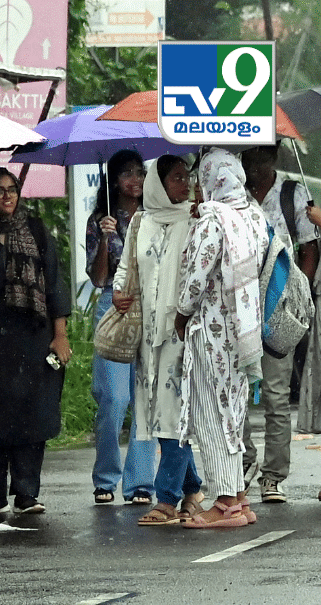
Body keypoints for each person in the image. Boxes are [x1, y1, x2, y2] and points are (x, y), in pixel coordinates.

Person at [0, 168, 72, 516]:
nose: (7, 196)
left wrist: (60, 335)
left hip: (32, 336)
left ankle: (27, 493)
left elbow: (54, 284)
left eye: (12, 189)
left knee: (32, 413)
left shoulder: (37, 232)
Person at [175, 148, 269, 529]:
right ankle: (240, 497)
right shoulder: (255, 216)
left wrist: (181, 313)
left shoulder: (214, 220)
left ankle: (226, 502)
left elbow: (195, 279)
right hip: (244, 332)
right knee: (233, 411)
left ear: (213, 180)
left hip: (211, 331)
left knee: (210, 414)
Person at [113, 155, 206, 526]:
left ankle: (166, 498)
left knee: (175, 414)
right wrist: (120, 292)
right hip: (147, 334)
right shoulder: (141, 220)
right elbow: (126, 269)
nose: (186, 184)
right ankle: (193, 489)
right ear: (160, 184)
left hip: (183, 332)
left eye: (188, 177)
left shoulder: (195, 219)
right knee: (160, 413)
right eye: (178, 178)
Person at [239, 143, 320, 503]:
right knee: (235, 392)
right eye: (248, 155)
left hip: (278, 309)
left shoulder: (292, 194)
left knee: (274, 393)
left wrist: (298, 298)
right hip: (237, 306)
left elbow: (309, 248)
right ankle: (241, 461)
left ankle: (273, 475)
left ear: (273, 157)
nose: (254, 163)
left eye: (260, 155)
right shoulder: (231, 192)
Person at [86, 149, 157, 505]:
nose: (135, 180)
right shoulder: (101, 219)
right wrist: (103, 239)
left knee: (144, 397)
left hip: (148, 308)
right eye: (127, 173)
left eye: (140, 172)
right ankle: (106, 478)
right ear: (114, 180)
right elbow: (98, 277)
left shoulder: (156, 217)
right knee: (113, 398)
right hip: (112, 306)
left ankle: (141, 482)